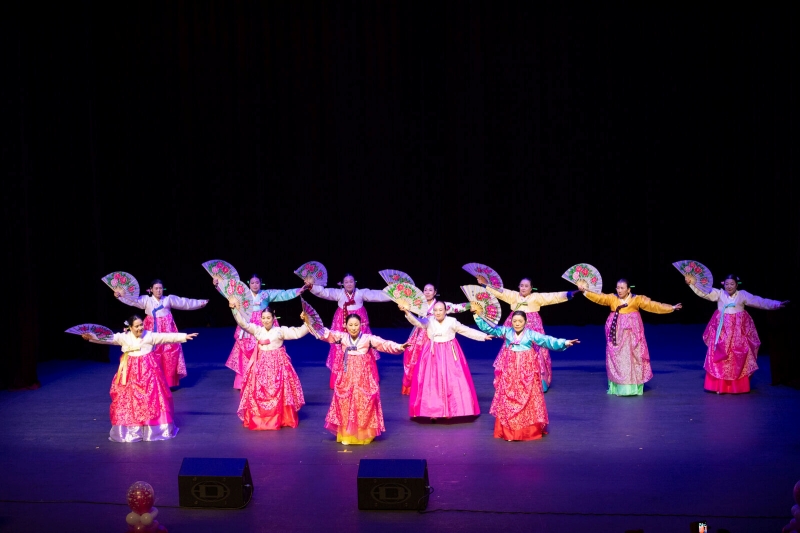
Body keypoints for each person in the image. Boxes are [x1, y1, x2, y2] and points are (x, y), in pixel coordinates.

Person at [81, 314, 198, 442]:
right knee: (127, 400)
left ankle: (153, 429)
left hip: (148, 372)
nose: (140, 328)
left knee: (151, 398)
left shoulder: (149, 335)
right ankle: (131, 431)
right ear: (130, 327)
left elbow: (165, 337)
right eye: (136, 326)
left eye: (141, 325)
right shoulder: (123, 337)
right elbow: (108, 338)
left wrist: (184, 337)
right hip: (129, 373)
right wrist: (91, 337)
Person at [303, 312, 407, 445]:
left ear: (361, 325)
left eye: (356, 325)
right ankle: (347, 434)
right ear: (345, 325)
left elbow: (384, 344)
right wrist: (309, 322)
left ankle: (363, 434)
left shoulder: (368, 339)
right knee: (345, 403)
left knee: (362, 404)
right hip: (346, 377)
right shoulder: (342, 337)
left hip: (363, 378)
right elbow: (325, 333)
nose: (353, 328)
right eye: (351, 325)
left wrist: (399, 346)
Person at [473, 311, 579, 441]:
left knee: (528, 397)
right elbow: (490, 328)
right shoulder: (506, 331)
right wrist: (477, 316)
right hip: (510, 372)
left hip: (527, 372)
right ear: (511, 321)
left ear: (525, 322)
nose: (517, 324)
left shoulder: (530, 334)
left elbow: (547, 340)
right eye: (514, 321)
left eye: (520, 321)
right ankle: (509, 431)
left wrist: (565, 342)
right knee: (509, 397)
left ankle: (527, 431)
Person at [685, 274, 788, 394]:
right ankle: (720, 386)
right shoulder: (719, 293)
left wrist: (776, 304)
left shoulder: (742, 295)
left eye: (732, 284)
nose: (729, 286)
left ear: (736, 285)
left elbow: (758, 301)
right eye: (727, 284)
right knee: (720, 357)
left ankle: (736, 387)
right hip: (722, 331)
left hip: (737, 333)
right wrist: (692, 284)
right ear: (723, 284)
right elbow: (704, 292)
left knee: (736, 357)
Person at [580, 279, 681, 396]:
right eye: (618, 288)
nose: (619, 290)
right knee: (618, 359)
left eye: (622, 288)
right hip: (617, 334)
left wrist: (671, 307)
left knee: (632, 359)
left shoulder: (637, 299)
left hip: (632, 335)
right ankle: (619, 387)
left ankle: (632, 388)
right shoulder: (612, 298)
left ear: (628, 289)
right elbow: (599, 297)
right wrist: (585, 291)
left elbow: (653, 305)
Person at [477, 275, 577, 392]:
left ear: (531, 288)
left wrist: (569, 294)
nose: (523, 288)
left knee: (536, 350)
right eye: (521, 286)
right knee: (512, 350)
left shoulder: (536, 297)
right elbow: (500, 292)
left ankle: (538, 382)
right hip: (516, 324)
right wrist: (485, 284)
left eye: (526, 286)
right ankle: (511, 381)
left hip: (532, 326)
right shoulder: (513, 296)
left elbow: (552, 296)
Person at [402, 301, 490, 419]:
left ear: (445, 311)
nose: (438, 312)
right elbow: (418, 322)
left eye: (440, 310)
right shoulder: (429, 320)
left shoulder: (451, 321)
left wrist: (483, 336)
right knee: (432, 381)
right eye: (435, 310)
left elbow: (466, 330)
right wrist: (407, 312)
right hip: (432, 353)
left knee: (452, 380)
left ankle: (451, 410)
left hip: (449, 352)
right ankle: (433, 412)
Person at [229, 298, 308, 429]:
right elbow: (243, 324)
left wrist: (307, 322)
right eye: (263, 318)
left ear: (273, 318)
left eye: (268, 318)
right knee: (258, 391)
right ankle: (260, 418)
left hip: (277, 365)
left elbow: (298, 333)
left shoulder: (280, 331)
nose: (266, 320)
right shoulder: (257, 330)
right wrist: (234, 310)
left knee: (279, 390)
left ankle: (280, 418)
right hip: (261, 365)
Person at [215, 274, 304, 389]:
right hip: (248, 324)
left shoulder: (266, 294)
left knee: (265, 351)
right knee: (244, 352)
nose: (255, 285)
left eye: (257, 282)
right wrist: (218, 285)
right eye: (252, 283)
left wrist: (298, 291)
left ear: (261, 283)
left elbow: (282, 294)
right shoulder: (243, 294)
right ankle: (243, 382)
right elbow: (229, 294)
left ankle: (264, 380)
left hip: (264, 323)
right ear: (249, 283)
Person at [305, 273, 392, 388]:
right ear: (342, 284)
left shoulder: (361, 293)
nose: (349, 284)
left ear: (355, 283)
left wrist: (393, 292)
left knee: (363, 347)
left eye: (351, 281)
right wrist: (311, 286)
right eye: (346, 282)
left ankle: (364, 379)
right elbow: (324, 292)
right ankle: (341, 380)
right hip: (342, 325)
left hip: (359, 325)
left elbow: (377, 295)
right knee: (340, 349)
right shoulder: (339, 293)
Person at [115, 279, 207, 387]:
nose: (159, 290)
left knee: (169, 354)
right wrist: (120, 296)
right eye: (156, 288)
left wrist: (201, 303)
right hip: (151, 329)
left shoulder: (168, 299)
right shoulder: (146, 300)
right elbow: (133, 300)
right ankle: (153, 381)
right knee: (152, 354)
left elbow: (184, 303)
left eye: (160, 288)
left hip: (167, 329)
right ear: (151, 290)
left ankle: (168, 383)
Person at [401, 283, 471, 395]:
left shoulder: (440, 305)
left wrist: (471, 305)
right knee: (413, 360)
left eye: (430, 290)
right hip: (419, 337)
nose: (427, 292)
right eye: (425, 290)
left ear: (435, 292)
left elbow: (457, 307)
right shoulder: (418, 304)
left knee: (433, 363)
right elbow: (411, 316)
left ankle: (433, 387)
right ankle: (416, 387)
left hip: (433, 336)